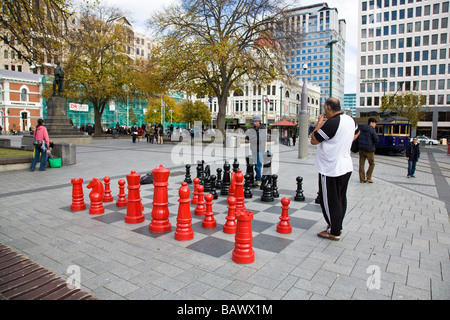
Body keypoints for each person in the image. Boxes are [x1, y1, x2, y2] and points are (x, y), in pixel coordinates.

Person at [310, 98, 360, 241]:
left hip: (330, 168)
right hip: (346, 166)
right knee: (340, 198)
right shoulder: (350, 120)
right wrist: (344, 143)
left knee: (330, 200)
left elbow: (314, 140)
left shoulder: (332, 123)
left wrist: (319, 123)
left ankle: (334, 231)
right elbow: (357, 132)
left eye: (324, 108)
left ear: (328, 108)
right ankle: (337, 225)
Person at [245, 115, 266, 186]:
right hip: (253, 148)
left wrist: (252, 138)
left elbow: (260, 140)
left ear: (259, 122)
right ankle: (256, 177)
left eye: (256, 121)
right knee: (254, 164)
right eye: (254, 121)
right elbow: (248, 137)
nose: (254, 123)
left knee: (258, 165)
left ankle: (259, 179)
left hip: (260, 149)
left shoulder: (262, 129)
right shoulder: (252, 129)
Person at [358, 117, 379, 183]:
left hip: (361, 149)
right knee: (372, 163)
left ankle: (362, 179)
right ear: (371, 123)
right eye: (374, 123)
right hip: (369, 150)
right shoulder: (372, 130)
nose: (375, 124)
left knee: (361, 164)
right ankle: (368, 177)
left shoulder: (361, 128)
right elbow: (376, 140)